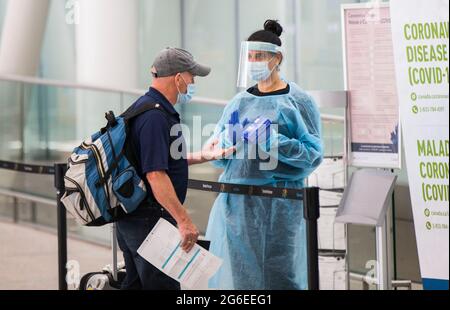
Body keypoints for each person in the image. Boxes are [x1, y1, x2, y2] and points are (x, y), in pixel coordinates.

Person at [205, 20, 324, 290]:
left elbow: (313, 155)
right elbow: (218, 156)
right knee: (243, 276)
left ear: (277, 58)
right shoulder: (239, 102)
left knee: (280, 273)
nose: (254, 62)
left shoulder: (297, 102)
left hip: (280, 204)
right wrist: (225, 143)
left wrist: (273, 141)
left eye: (260, 56)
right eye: (250, 57)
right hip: (237, 206)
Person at [116, 47, 235, 290]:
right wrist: (184, 221)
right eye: (192, 77)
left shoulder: (146, 107)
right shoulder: (155, 117)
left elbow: (159, 161)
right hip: (149, 223)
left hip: (135, 219)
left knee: (136, 286)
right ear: (178, 78)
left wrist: (203, 156)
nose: (193, 82)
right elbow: (155, 174)